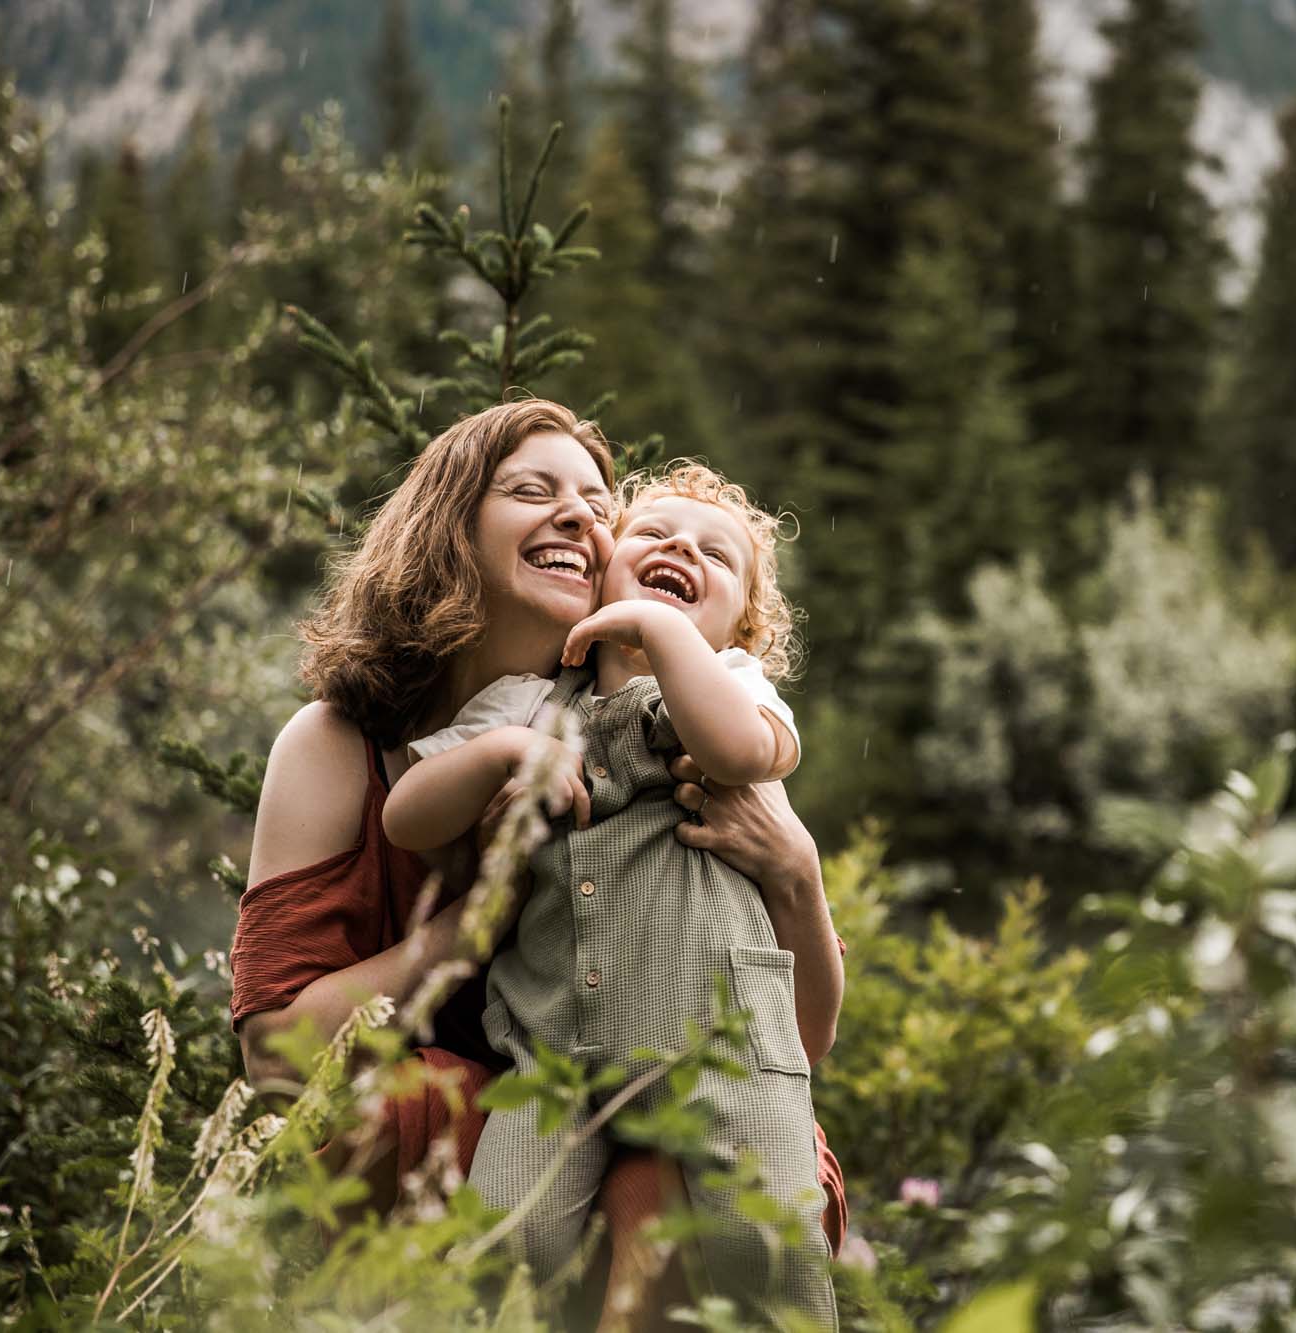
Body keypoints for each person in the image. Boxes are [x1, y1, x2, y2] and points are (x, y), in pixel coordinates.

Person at [229, 401, 845, 1329]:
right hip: (521, 1103)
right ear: (450, 526)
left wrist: (795, 869)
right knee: (458, 1148)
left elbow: (799, 1037)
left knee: (665, 1187)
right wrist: (480, 916)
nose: (578, 517)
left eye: (599, 505)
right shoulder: (345, 744)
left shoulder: (695, 725)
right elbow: (277, 1057)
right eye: (532, 490)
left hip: (678, 1094)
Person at [383, 462, 835, 1325]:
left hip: (724, 1044)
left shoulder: (735, 685)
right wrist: (501, 754)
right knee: (506, 1241)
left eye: (714, 554)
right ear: (601, 574)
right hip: (553, 1050)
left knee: (763, 1245)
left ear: (741, 628)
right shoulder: (527, 704)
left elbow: (742, 753)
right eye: (654, 535)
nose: (681, 550)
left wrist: (660, 631)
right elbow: (406, 817)